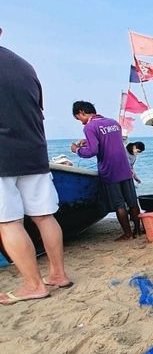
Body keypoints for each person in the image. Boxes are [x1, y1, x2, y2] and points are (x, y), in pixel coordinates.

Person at [0, 29, 72, 304]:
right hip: (34, 151)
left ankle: (33, 285)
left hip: (3, 156)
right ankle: (58, 274)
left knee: (8, 222)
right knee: (44, 216)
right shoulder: (25, 66)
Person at [71, 101, 141, 239]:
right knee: (132, 201)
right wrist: (88, 141)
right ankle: (138, 231)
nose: (81, 123)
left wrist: (77, 150)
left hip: (109, 169)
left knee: (119, 204)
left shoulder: (90, 127)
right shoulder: (113, 122)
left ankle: (127, 234)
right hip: (124, 166)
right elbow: (110, 141)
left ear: (81, 112)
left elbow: (93, 150)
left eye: (79, 119)